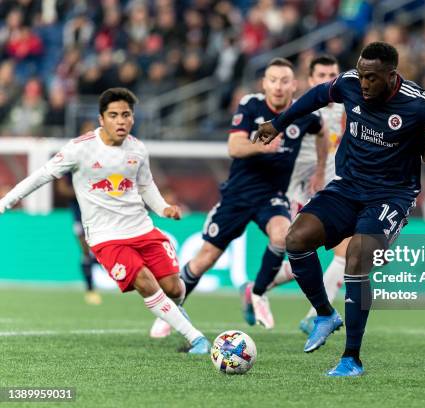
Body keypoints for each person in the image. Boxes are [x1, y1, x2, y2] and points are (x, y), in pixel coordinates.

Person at [253, 42, 425, 377]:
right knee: (296, 239)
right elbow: (317, 96)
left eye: (372, 78)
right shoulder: (351, 83)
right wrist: (277, 124)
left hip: (391, 196)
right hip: (347, 186)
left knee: (357, 256)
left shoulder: (419, 104)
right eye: (361, 75)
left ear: (391, 75)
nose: (363, 83)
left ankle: (351, 358)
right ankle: (325, 314)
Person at [0, 88, 210, 355]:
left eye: (126, 115)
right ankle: (197, 340)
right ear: (102, 119)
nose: (120, 121)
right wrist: (5, 202)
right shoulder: (80, 148)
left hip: (142, 229)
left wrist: (164, 208)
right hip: (106, 237)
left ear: (133, 118)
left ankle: (173, 314)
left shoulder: (137, 149)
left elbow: (146, 186)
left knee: (174, 288)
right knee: (145, 282)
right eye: (113, 115)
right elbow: (40, 176)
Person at [149, 58, 327, 338]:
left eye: (284, 81)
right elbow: (234, 146)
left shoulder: (304, 114)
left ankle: (257, 294)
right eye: (273, 80)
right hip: (238, 195)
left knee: (283, 236)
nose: (278, 87)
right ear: (264, 83)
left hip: (272, 196)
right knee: (205, 258)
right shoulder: (251, 105)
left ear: (294, 85)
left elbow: (322, 133)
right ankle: (170, 311)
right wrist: (261, 146)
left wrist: (319, 171)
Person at [266, 55, 348, 335]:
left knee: (344, 253)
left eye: (333, 73)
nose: (328, 79)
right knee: (304, 251)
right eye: (322, 74)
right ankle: (262, 287)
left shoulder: (347, 110)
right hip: (299, 192)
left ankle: (315, 313)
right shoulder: (301, 111)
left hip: (333, 190)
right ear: (311, 81)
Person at [56, 175, 102, 305]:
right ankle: (90, 289)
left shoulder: (99, 164)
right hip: (80, 218)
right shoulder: (70, 165)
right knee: (86, 252)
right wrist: (88, 191)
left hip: (101, 216)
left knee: (104, 252)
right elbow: (63, 189)